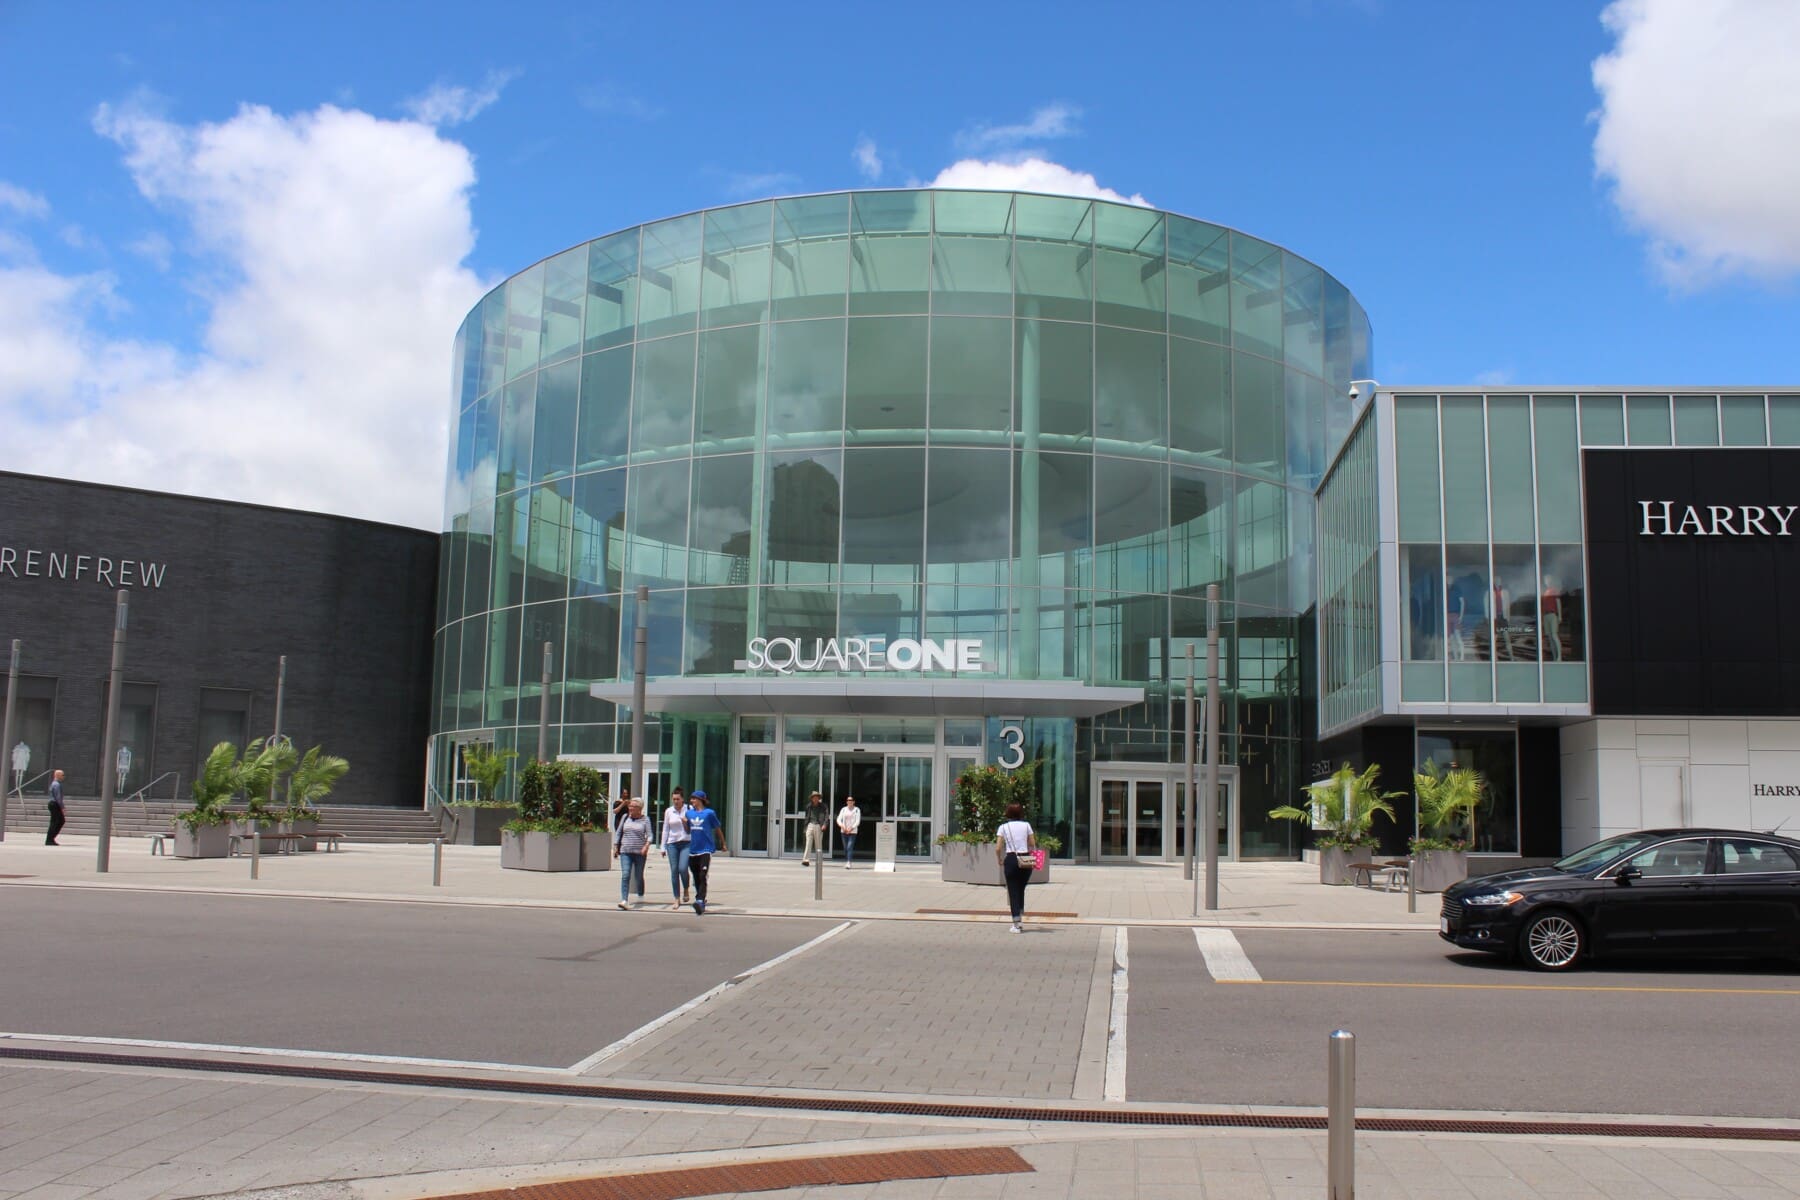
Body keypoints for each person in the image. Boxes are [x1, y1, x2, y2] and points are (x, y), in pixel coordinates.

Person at [995, 802, 1038, 933]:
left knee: (1013, 890)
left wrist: (999, 860)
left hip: (1011, 859)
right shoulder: (1027, 825)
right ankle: (1020, 912)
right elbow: (1032, 843)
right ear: (1020, 813)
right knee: (1021, 888)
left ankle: (1016, 923)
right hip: (1025, 859)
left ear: (1008, 813)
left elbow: (998, 848)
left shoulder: (1003, 827)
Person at [685, 789, 725, 916]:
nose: (692, 801)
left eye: (694, 799)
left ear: (701, 800)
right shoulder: (689, 814)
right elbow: (687, 831)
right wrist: (684, 823)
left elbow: (717, 828)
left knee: (702, 875)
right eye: (691, 799)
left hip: (706, 849)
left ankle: (701, 900)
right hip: (693, 849)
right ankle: (699, 899)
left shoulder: (709, 813)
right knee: (696, 876)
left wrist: (723, 843)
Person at [613, 798, 651, 909]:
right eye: (630, 806)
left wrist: (646, 845)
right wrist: (616, 846)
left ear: (639, 809)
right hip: (626, 851)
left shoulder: (645, 820)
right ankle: (624, 900)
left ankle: (640, 894)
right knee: (625, 875)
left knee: (638, 876)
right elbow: (619, 832)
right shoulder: (625, 818)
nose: (630, 808)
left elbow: (650, 835)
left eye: (633, 806)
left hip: (639, 852)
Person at [659, 787, 692, 908]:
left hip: (686, 842)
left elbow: (694, 825)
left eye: (678, 799)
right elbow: (665, 829)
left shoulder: (689, 809)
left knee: (683, 868)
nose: (676, 801)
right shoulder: (669, 811)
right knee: (674, 870)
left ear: (682, 799)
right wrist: (663, 847)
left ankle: (686, 888)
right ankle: (677, 898)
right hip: (672, 843)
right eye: (674, 799)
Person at [802, 790, 829, 866]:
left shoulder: (823, 806)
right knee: (808, 843)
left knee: (818, 844)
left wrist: (824, 824)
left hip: (818, 825)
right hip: (810, 825)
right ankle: (806, 860)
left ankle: (819, 861)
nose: (815, 799)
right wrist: (806, 827)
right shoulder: (808, 806)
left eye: (817, 797)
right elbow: (807, 817)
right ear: (812, 798)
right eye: (814, 797)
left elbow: (826, 817)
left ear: (819, 798)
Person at [836, 795, 862, 868]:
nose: (849, 801)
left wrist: (851, 828)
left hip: (852, 832)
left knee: (849, 846)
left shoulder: (857, 810)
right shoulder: (844, 809)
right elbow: (838, 819)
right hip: (844, 831)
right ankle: (847, 860)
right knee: (845, 847)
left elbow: (857, 821)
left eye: (851, 800)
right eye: (848, 800)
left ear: (853, 802)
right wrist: (842, 826)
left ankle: (849, 862)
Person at [45, 769, 65, 846]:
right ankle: (49, 839)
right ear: (58, 775)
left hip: (53, 804)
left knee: (59, 821)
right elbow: (58, 797)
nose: (63, 777)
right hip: (54, 804)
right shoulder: (56, 784)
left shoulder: (54, 784)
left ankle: (50, 838)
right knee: (56, 822)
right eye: (62, 775)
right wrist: (62, 807)